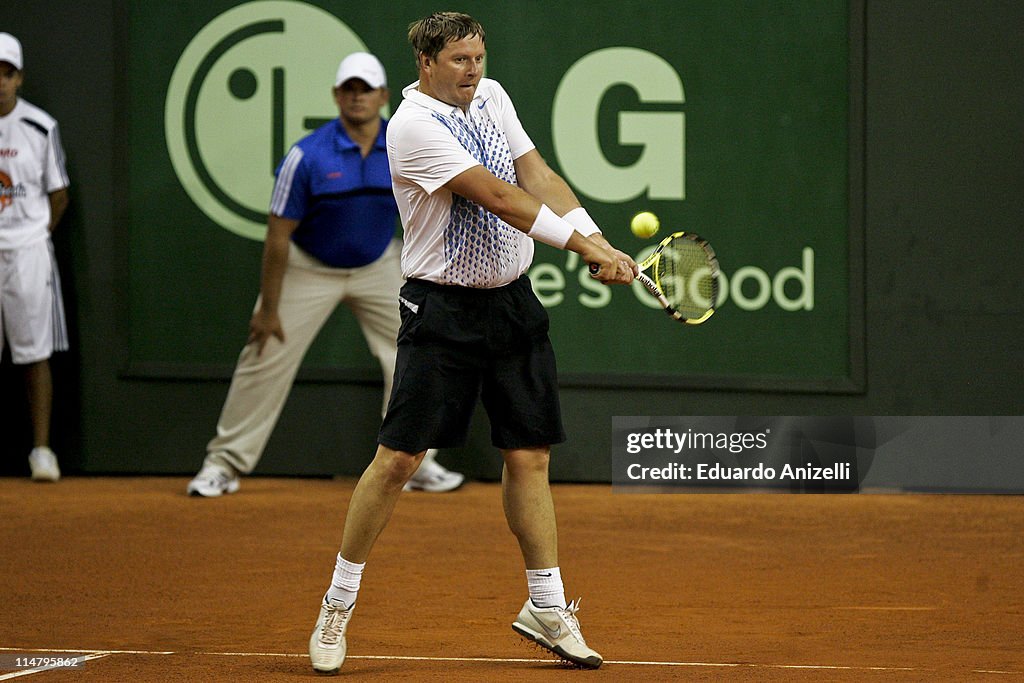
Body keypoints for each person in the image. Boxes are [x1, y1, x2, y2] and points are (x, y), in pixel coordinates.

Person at [307, 13, 636, 674]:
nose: (473, 71)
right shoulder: (412, 126)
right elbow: (497, 196)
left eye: (479, 57)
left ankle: (546, 605)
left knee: (529, 453)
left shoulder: (493, 96)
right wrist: (581, 246)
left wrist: (594, 237)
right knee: (399, 459)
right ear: (427, 63)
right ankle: (337, 603)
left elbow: (534, 172)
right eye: (460, 60)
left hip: (512, 303)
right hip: (443, 309)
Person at [187, 52, 464, 497]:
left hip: (378, 265)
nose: (358, 97)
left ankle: (418, 462)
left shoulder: (405, 143)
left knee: (416, 357)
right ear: (338, 95)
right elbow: (278, 236)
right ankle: (222, 464)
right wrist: (270, 308)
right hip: (308, 268)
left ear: (382, 97)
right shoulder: (306, 157)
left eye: (366, 89)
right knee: (262, 355)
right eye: (349, 89)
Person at [0, 33, 70, 483]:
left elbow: (59, 193)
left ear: (19, 77)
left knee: (34, 353)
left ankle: (41, 451)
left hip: (27, 249)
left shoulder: (41, 127)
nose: (0, 83)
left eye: (6, 73)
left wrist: (34, 236)